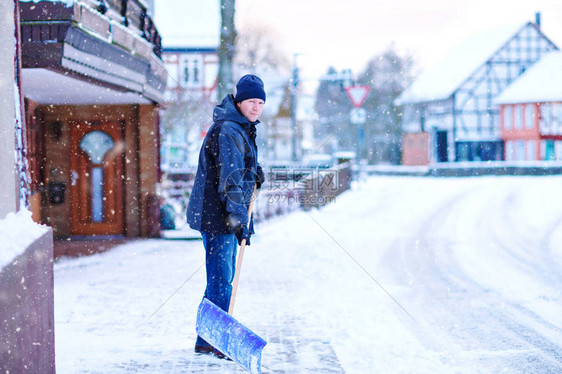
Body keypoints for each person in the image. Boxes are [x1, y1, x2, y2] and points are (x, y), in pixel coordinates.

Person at [186, 74, 266, 359]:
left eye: (260, 102)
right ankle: (216, 339)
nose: (256, 107)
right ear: (240, 101)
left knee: (220, 279)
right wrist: (236, 220)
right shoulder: (230, 129)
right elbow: (229, 181)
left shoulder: (238, 127)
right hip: (219, 217)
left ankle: (206, 339)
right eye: (251, 101)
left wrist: (253, 172)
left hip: (221, 215)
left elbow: (237, 172)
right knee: (222, 280)